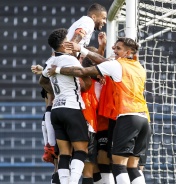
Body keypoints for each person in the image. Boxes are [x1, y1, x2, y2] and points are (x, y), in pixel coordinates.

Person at [48, 37, 152, 184]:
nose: (114, 51)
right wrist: (84, 51)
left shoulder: (116, 66)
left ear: (128, 52)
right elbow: (102, 61)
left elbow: (83, 70)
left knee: (118, 166)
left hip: (128, 117)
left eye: (118, 49)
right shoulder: (139, 67)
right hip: (144, 119)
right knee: (133, 167)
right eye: (114, 47)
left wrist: (57, 69)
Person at [39, 28, 91, 184]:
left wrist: (55, 91)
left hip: (56, 110)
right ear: (62, 45)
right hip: (71, 108)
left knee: (65, 153)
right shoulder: (69, 60)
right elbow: (82, 73)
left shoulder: (50, 62)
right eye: (67, 40)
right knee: (81, 150)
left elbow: (41, 81)